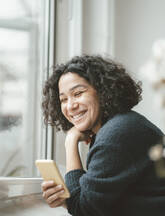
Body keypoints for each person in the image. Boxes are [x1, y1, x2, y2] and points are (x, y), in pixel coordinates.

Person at [41, 55, 165, 216]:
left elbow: (84, 209)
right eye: (63, 99)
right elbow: (101, 204)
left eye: (78, 93)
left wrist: (70, 141)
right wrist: (66, 199)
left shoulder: (117, 134)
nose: (70, 106)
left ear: (102, 91)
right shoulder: (120, 125)